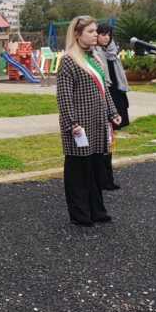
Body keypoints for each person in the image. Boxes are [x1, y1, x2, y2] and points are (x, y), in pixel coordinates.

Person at [56, 16, 121, 227]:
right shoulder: (68, 60)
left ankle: (97, 210)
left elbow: (104, 90)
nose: (96, 35)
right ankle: (80, 213)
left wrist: (113, 112)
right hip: (80, 126)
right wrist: (72, 123)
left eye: (95, 31)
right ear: (77, 34)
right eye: (91, 31)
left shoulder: (93, 57)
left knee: (95, 167)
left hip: (98, 122)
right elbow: (64, 97)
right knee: (78, 170)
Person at [94, 23, 130, 191]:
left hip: (117, 95)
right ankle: (102, 178)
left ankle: (107, 178)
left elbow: (119, 76)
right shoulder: (94, 53)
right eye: (103, 34)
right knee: (103, 139)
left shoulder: (112, 52)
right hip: (104, 96)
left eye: (109, 34)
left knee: (110, 139)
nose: (106, 37)